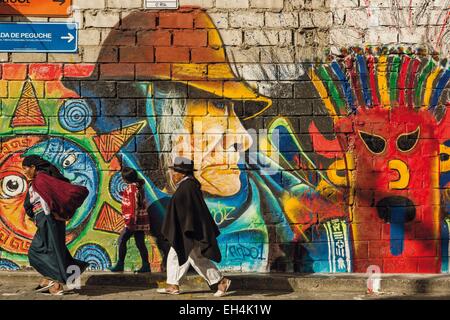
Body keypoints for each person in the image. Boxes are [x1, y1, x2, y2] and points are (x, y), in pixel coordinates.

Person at [157, 157, 232, 297]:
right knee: (190, 256)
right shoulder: (188, 185)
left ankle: (221, 281)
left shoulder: (188, 187)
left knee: (185, 256)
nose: (173, 174)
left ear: (182, 172)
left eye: (175, 171)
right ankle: (173, 285)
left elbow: (190, 211)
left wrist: (187, 229)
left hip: (189, 230)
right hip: (187, 229)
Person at [22, 155, 90, 295]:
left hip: (47, 219)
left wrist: (51, 214)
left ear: (33, 168)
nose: (24, 172)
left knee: (36, 252)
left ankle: (56, 284)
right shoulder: (43, 178)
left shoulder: (41, 179)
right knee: (55, 249)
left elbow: (47, 200)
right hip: (48, 219)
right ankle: (70, 272)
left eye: (25, 168)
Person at [109, 167, 151, 273]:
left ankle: (120, 264)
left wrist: (130, 223)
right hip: (140, 221)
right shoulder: (138, 187)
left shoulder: (131, 189)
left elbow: (132, 207)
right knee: (140, 242)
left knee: (121, 240)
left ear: (125, 179)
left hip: (133, 221)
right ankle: (146, 265)